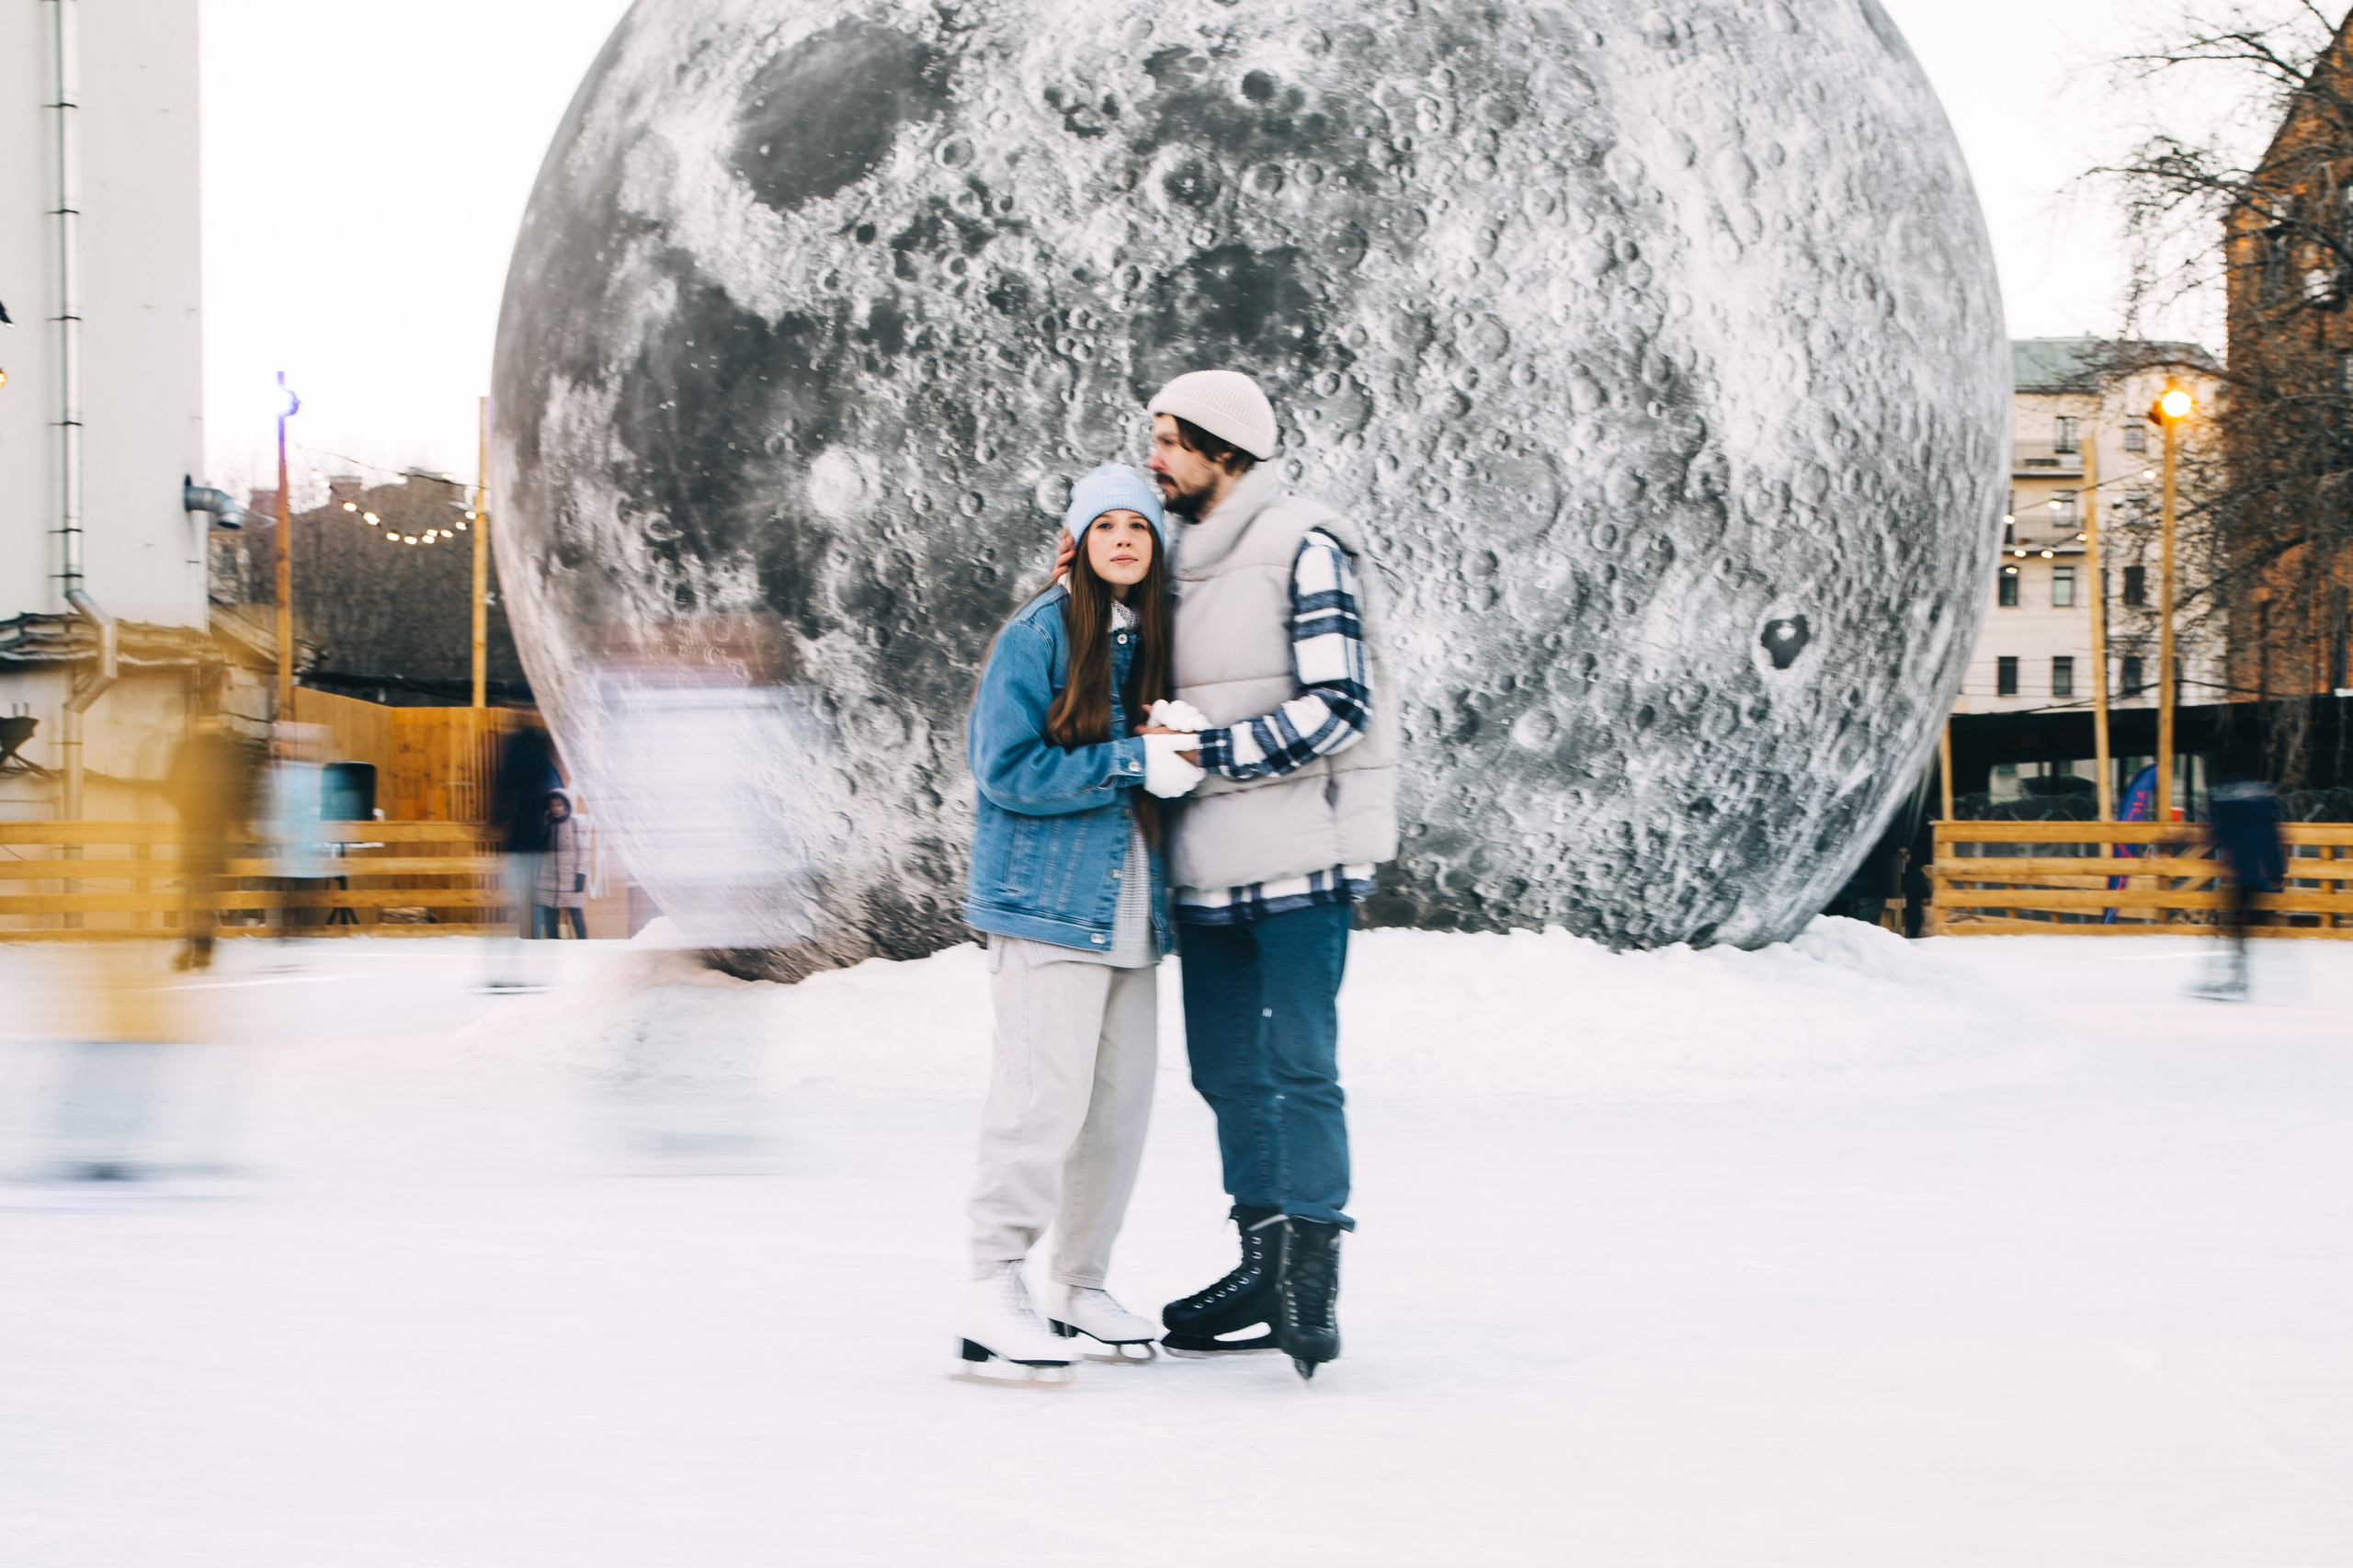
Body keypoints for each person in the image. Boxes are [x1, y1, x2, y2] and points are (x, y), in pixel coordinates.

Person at [1140, 369, 1399, 1381]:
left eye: (1169, 440)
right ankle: (1262, 1256)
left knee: (1299, 1067)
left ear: (1226, 450)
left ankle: (1311, 1276)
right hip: (1206, 865)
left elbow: (1339, 702)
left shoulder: (1304, 543)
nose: (1152, 457)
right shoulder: (1168, 559)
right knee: (1223, 1068)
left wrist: (1215, 751)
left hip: (1297, 854)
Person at [957, 465, 1203, 1386]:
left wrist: (1176, 742)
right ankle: (990, 1280)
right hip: (1048, 906)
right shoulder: (1040, 632)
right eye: (1104, 527)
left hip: (1131, 910)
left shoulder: (1152, 640)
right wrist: (1132, 758)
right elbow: (1005, 768)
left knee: (1117, 1109)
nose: (1123, 539)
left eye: (1136, 525)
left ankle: (1078, 1281)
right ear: (1079, 541)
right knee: (1039, 1101)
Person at [165, 714, 261, 971]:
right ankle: (203, 948)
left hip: (194, 828)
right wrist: (237, 820)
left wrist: (187, 810)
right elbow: (239, 791)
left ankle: (191, 946)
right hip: (213, 830)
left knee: (191, 889)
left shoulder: (187, 748)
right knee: (205, 890)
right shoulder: (227, 751)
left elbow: (169, 787)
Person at [2199, 777, 2285, 999]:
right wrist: (2276, 873)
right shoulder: (2263, 816)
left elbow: (2215, 836)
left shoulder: (2231, 814)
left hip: (2239, 880)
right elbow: (2272, 845)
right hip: (2256, 881)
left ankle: (2238, 977)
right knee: (2239, 928)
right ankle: (2238, 977)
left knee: (2237, 928)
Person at [487, 719, 559, 986]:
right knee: (525, 907)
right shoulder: (540, 754)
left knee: (516, 908)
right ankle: (534, 971)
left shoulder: (520, 751)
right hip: (532, 842)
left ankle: (522, 971)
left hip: (521, 841)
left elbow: (505, 789)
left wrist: (495, 821)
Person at [535, 790, 589, 938]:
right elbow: (538, 848)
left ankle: (584, 946)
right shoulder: (546, 824)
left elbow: (583, 851)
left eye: (559, 805)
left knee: (576, 915)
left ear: (566, 806)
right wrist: (544, 826)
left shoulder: (574, 824)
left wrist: (580, 874)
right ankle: (553, 948)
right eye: (552, 806)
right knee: (550, 918)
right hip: (549, 881)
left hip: (570, 879)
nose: (556, 809)